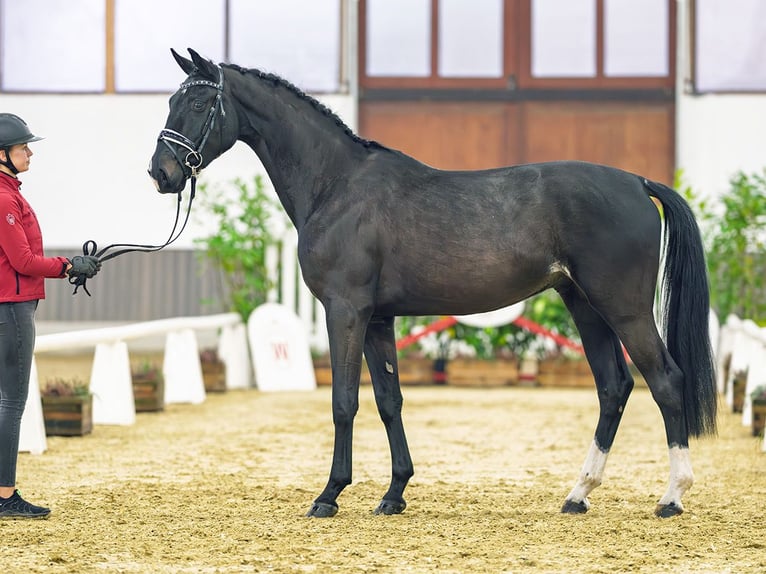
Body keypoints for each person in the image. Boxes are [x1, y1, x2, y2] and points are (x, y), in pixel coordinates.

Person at [0, 113, 100, 519]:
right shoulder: (5, 199)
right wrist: (68, 267)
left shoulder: (10, 193)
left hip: (8, 306)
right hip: (11, 310)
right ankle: (5, 496)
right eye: (24, 147)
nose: (30, 152)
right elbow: (22, 260)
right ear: (3, 154)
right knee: (11, 403)